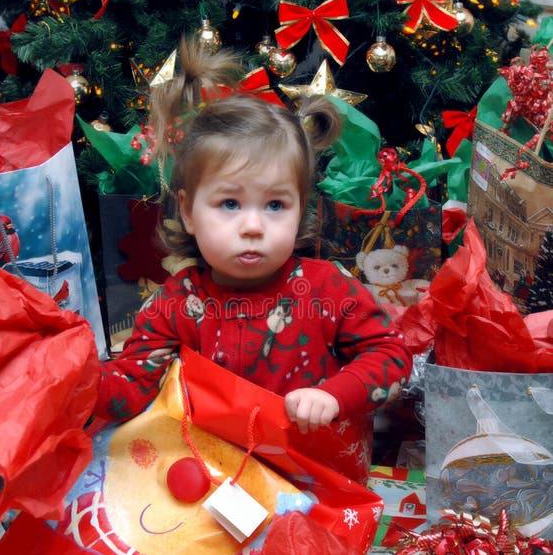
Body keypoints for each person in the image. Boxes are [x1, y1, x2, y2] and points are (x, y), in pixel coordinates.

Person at [95, 39, 412, 435]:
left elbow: (391, 354)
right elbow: (130, 384)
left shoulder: (327, 291)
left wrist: (334, 395)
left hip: (313, 473)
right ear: (189, 212)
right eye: (229, 204)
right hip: (212, 471)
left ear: (300, 208)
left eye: (276, 205)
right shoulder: (177, 303)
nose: (253, 226)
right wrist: (77, 382)